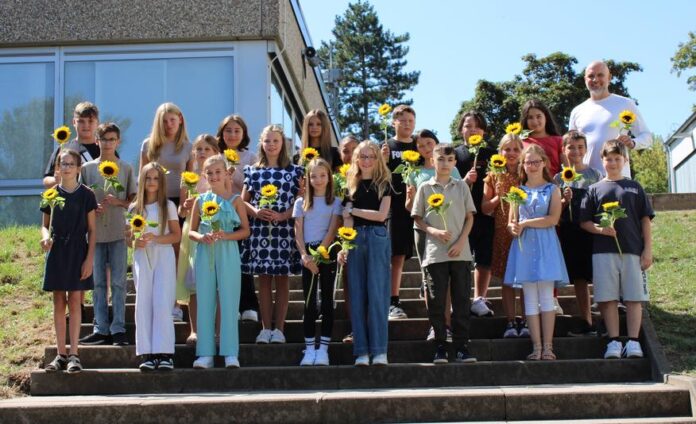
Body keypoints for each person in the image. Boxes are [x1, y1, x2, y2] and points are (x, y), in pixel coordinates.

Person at [580, 139, 654, 359]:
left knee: (633, 297)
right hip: (603, 252)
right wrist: (602, 230)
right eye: (608, 159)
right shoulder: (593, 189)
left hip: (632, 250)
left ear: (624, 160)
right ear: (602, 161)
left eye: (617, 159)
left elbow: (645, 221)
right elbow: (585, 222)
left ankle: (633, 342)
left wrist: (647, 250)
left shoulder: (635, 186)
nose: (612, 163)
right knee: (607, 298)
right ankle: (613, 341)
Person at [412, 144, 477, 364]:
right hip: (435, 253)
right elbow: (418, 217)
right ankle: (440, 344)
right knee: (437, 301)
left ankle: (461, 347)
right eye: (440, 159)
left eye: (450, 159)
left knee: (461, 301)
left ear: (455, 163)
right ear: (432, 160)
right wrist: (433, 231)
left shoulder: (461, 187)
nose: (445, 163)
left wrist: (461, 241)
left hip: (461, 253)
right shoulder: (424, 187)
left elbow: (470, 217)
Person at [504, 145, 569, 360]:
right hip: (524, 246)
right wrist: (513, 227)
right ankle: (536, 347)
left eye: (536, 161)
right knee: (530, 298)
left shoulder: (552, 189)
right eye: (528, 162)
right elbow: (512, 223)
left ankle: (549, 347)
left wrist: (526, 223)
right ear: (523, 165)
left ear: (544, 163)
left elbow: (553, 219)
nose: (532, 166)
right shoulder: (517, 190)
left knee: (546, 298)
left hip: (546, 245)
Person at [242, 124, 303, 344]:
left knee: (283, 280)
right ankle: (265, 328)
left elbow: (300, 199)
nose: (271, 145)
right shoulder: (252, 171)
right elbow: (243, 202)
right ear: (261, 143)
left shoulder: (295, 171)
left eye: (275, 141)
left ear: (283, 143)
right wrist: (256, 212)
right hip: (260, 232)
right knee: (264, 280)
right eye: (267, 141)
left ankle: (279, 329)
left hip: (285, 231)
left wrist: (286, 215)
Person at [189, 155, 250, 368]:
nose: (214, 176)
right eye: (210, 173)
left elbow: (245, 230)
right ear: (204, 176)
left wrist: (226, 235)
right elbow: (190, 231)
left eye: (218, 172)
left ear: (226, 173)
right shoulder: (200, 200)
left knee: (229, 300)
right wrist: (201, 237)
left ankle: (230, 352)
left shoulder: (236, 200)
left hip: (228, 252)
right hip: (206, 252)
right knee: (205, 300)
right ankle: (205, 353)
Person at [78, 123, 137, 346]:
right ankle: (100, 328)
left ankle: (118, 327)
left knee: (119, 282)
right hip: (95, 235)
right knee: (99, 283)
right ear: (97, 141)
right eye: (104, 139)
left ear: (118, 142)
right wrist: (93, 207)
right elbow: (81, 200)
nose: (108, 143)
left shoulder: (126, 168)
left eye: (112, 139)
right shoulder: (88, 169)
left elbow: (133, 199)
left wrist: (118, 202)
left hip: (118, 231)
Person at [41, 149, 97, 373]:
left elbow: (92, 230)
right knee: (58, 302)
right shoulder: (51, 194)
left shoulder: (87, 195)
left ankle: (74, 353)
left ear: (78, 168)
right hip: (57, 251)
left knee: (75, 301)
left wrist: (89, 259)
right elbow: (45, 224)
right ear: (57, 167)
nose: (66, 168)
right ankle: (60, 353)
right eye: (62, 164)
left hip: (78, 251)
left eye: (70, 164)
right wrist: (45, 238)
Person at [405, 130, 461, 342]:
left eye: (429, 143)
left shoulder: (451, 169)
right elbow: (410, 209)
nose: (426, 148)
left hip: (448, 228)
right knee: (429, 280)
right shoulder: (413, 173)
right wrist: (410, 198)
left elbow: (457, 197)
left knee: (446, 278)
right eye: (421, 146)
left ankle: (447, 323)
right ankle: (436, 325)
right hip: (423, 229)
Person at [340, 141, 393, 366]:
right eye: (363, 156)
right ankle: (361, 350)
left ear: (377, 159)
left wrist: (355, 210)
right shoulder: (350, 186)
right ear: (356, 159)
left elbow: (381, 216)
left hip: (378, 238)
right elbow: (347, 219)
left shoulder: (385, 183)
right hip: (356, 238)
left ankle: (380, 350)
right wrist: (344, 246)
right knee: (358, 294)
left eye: (371, 156)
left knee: (378, 295)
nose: (367, 160)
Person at [140, 102, 194, 322]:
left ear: (180, 119)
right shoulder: (148, 145)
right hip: (154, 201)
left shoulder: (188, 147)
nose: (169, 124)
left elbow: (190, 180)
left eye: (172, 119)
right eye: (164, 121)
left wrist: (186, 204)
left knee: (175, 254)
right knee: (153, 250)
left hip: (177, 203)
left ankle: (174, 305)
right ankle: (154, 302)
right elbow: (142, 176)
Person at [129, 162, 181, 370]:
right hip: (142, 256)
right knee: (143, 302)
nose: (151, 182)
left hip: (163, 256)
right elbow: (128, 236)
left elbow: (176, 235)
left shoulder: (167, 206)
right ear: (142, 181)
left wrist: (157, 238)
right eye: (148, 178)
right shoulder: (135, 208)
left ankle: (165, 352)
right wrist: (135, 242)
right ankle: (147, 353)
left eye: (156, 178)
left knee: (161, 301)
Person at [553, 131, 602, 337]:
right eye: (571, 147)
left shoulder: (595, 175)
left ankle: (606, 320)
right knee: (580, 278)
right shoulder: (558, 178)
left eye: (580, 147)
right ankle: (587, 321)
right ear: (564, 150)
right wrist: (564, 200)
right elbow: (554, 211)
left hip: (592, 231)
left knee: (598, 275)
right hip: (570, 232)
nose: (576, 151)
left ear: (586, 149)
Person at [293, 158, 342, 366]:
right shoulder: (300, 202)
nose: (318, 180)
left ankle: (324, 349)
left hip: (327, 253)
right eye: (314, 176)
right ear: (307, 179)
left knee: (328, 302)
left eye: (323, 175)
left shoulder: (335, 202)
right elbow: (298, 230)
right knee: (309, 302)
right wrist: (305, 255)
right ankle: (310, 348)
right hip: (308, 256)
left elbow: (332, 230)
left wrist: (320, 253)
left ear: (329, 177)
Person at [569, 60, 652, 177]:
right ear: (585, 80)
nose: (595, 80)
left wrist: (633, 142)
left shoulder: (625, 104)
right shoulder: (577, 111)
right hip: (587, 182)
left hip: (618, 180)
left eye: (600, 75)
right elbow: (570, 147)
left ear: (609, 78)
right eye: (591, 76)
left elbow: (647, 137)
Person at [482, 133, 527, 338]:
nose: (511, 153)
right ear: (500, 152)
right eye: (507, 149)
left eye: (516, 149)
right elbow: (484, 208)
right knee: (508, 280)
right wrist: (498, 196)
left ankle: (526, 321)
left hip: (525, 230)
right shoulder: (493, 175)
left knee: (525, 279)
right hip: (502, 232)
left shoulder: (527, 172)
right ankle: (510, 321)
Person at [216, 114, 260, 323]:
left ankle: (249, 305)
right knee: (225, 264)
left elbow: (252, 186)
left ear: (243, 134)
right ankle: (229, 306)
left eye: (237, 131)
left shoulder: (251, 157)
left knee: (243, 261)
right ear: (221, 133)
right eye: (228, 130)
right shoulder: (216, 156)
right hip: (219, 216)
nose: (232, 135)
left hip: (242, 214)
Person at [175, 134, 219, 345]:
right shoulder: (188, 177)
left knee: (216, 284)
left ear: (215, 153)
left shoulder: (218, 176)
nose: (201, 153)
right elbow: (181, 212)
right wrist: (184, 207)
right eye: (198, 149)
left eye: (206, 149)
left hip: (214, 229)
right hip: (192, 232)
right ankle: (196, 330)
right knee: (194, 283)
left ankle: (218, 330)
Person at [454, 111, 496, 318]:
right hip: (461, 215)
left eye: (477, 126)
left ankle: (479, 299)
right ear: (461, 129)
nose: (473, 130)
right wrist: (465, 180)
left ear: (484, 131)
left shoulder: (492, 153)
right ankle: (459, 298)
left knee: (484, 258)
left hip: (486, 214)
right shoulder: (455, 154)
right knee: (461, 258)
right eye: (468, 126)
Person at [381, 105, 416, 320]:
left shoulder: (419, 145)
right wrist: (382, 161)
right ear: (393, 122)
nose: (407, 124)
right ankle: (392, 300)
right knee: (397, 254)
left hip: (419, 206)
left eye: (411, 120)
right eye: (402, 120)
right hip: (394, 206)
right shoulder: (387, 145)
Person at [43, 102, 101, 189]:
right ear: (74, 122)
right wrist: (56, 180)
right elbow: (46, 180)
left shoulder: (105, 148)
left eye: (90, 121)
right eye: (81, 121)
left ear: (97, 123)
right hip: (69, 201)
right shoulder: (63, 149)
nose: (86, 125)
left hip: (97, 201)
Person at [338, 134, 359, 344]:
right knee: (349, 282)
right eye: (345, 150)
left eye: (355, 149)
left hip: (364, 234)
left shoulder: (368, 176)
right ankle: (354, 326)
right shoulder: (334, 177)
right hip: (340, 234)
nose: (350, 154)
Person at [520, 99, 566, 176]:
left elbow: (567, 168)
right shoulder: (520, 142)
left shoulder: (559, 141)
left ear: (546, 117)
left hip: (555, 186)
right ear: (525, 120)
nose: (535, 121)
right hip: (527, 186)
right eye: (530, 118)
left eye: (538, 116)